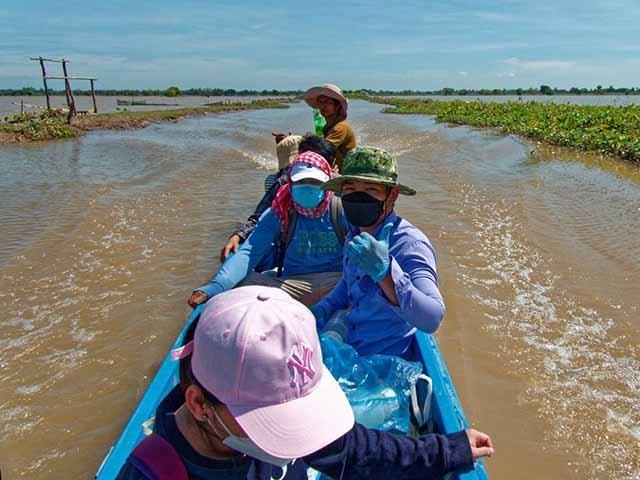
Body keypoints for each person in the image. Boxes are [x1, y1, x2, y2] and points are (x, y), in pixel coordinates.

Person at [118, 286, 494, 480]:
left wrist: (445, 450)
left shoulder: (262, 426)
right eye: (269, 422)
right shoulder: (152, 473)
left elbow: (356, 451)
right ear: (199, 404)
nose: (290, 440)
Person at [311, 146, 445, 356]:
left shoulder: (410, 244)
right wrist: (320, 310)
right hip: (351, 346)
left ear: (392, 196)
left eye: (371, 190)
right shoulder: (354, 235)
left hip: (384, 361)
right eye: (350, 190)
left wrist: (386, 275)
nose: (358, 197)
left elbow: (432, 318)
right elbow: (347, 286)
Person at [189, 150, 346, 307]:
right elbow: (250, 251)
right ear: (290, 184)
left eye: (315, 182)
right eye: (300, 182)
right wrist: (217, 286)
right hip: (291, 285)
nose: (308, 187)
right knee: (240, 282)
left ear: (327, 184)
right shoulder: (280, 211)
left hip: (336, 283)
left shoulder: (341, 209)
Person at [219, 135, 336, 263]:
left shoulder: (339, 190)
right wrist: (239, 235)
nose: (309, 166)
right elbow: (259, 216)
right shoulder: (282, 189)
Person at [275, 84, 356, 172]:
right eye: (321, 102)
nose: (323, 106)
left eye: (328, 102)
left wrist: (294, 142)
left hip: (343, 173)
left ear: (337, 106)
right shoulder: (329, 126)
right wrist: (290, 140)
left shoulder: (340, 127)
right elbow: (320, 143)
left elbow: (322, 149)